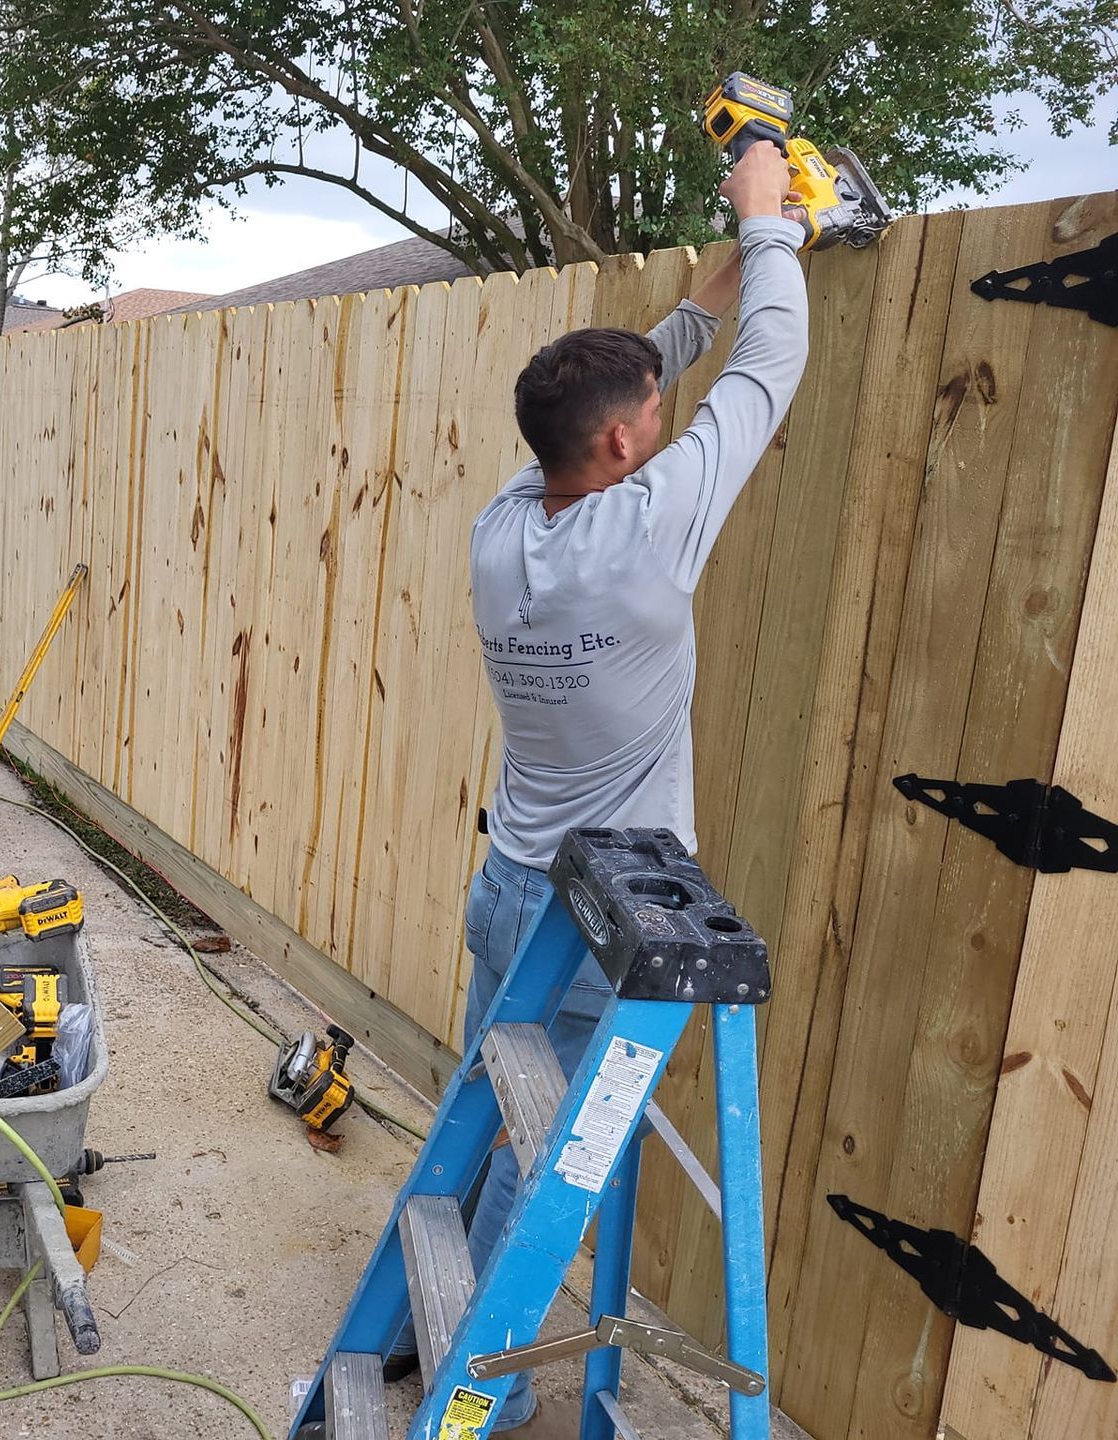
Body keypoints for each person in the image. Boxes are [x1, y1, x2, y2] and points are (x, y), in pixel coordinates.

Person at [449, 140, 812, 1431]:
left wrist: (692, 312)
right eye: (648, 423)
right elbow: (773, 373)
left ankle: (428, 1331)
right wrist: (770, 224)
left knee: (479, 1122)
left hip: (505, 890)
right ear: (620, 446)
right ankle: (469, 1392)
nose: (663, 431)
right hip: (603, 925)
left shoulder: (506, 531)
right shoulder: (652, 533)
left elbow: (627, 399)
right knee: (540, 1164)